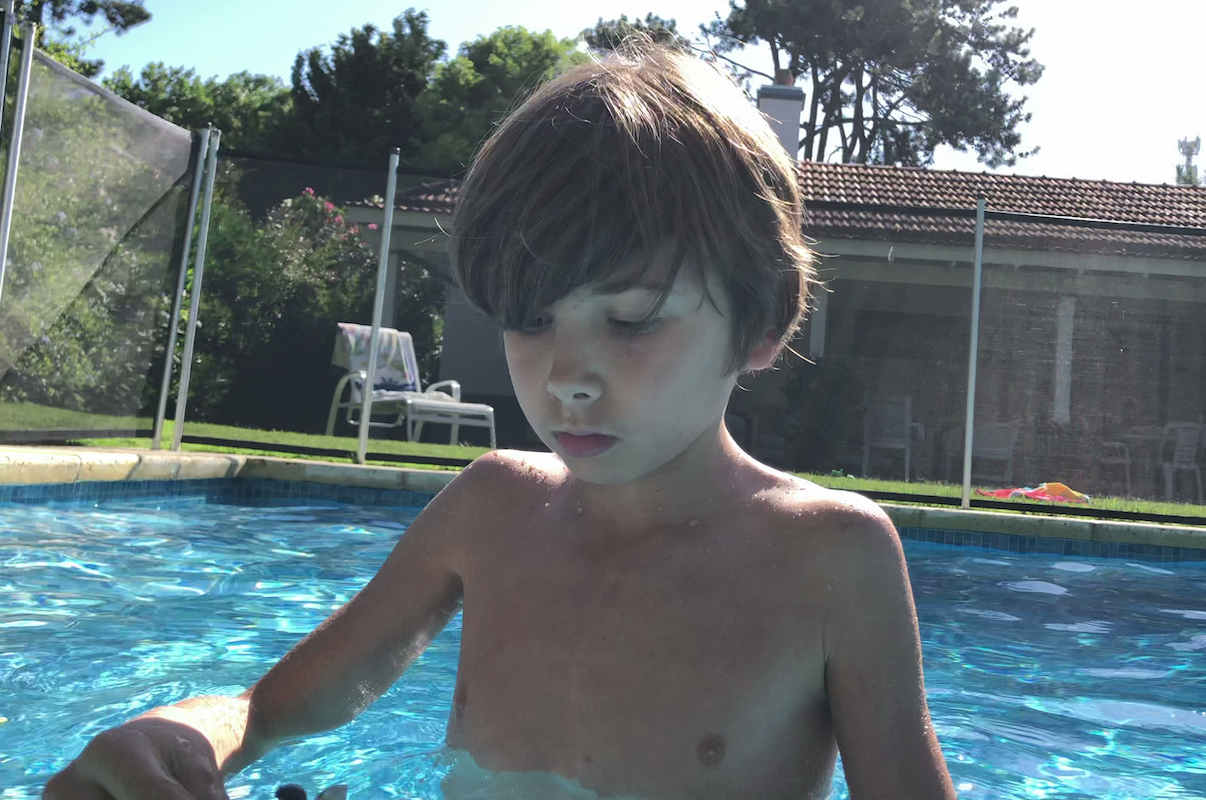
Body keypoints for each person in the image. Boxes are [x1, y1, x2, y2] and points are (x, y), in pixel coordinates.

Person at [44, 38, 955, 800]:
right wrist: (179, 739)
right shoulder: (490, 512)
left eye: (632, 320)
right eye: (530, 320)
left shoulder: (830, 559)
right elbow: (273, 709)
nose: (567, 377)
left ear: (762, 322)